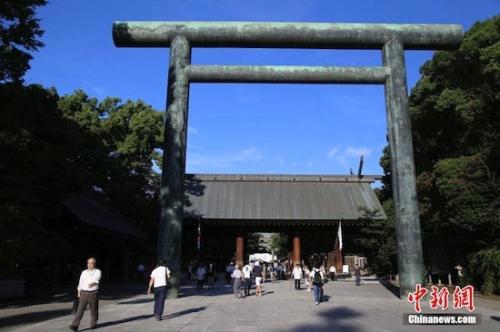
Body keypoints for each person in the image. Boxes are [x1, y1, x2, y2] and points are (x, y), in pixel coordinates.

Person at [69, 257, 101, 331]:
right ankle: (75, 325)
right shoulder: (84, 272)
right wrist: (78, 292)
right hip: (83, 293)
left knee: (94, 310)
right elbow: (81, 282)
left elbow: (97, 280)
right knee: (79, 310)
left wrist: (92, 284)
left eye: (91, 263)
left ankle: (93, 323)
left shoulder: (97, 272)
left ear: (94, 264)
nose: (89, 264)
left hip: (93, 293)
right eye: (88, 263)